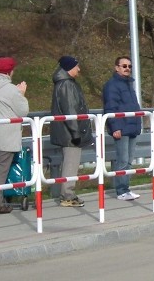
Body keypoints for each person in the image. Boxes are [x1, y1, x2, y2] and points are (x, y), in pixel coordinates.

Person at [50, 56, 94, 207]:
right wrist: (76, 132)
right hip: (69, 133)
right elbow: (70, 110)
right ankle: (67, 195)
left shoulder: (64, 83)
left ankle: (67, 193)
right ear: (69, 68)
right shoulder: (67, 85)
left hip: (66, 131)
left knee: (70, 163)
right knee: (71, 164)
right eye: (77, 66)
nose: (79, 69)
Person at [102, 56, 142, 201]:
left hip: (132, 126)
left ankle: (126, 188)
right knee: (122, 160)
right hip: (121, 127)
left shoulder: (129, 85)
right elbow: (110, 108)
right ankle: (121, 190)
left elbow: (132, 106)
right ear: (117, 67)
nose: (127, 69)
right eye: (124, 66)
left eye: (129, 66)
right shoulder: (112, 85)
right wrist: (115, 127)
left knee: (129, 161)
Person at [0, 57, 29, 214]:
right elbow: (23, 111)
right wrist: (21, 93)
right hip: (5, 138)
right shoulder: (11, 90)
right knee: (1, 171)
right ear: (9, 72)